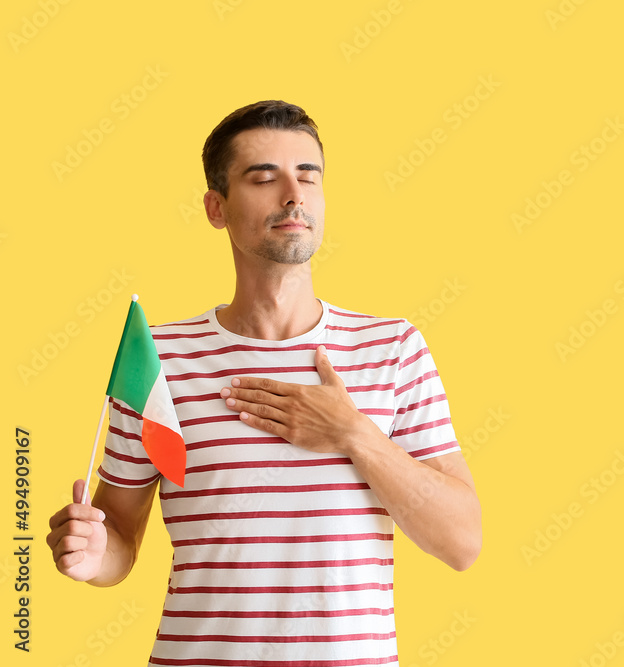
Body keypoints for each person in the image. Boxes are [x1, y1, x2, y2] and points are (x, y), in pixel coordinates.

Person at [46, 100, 481, 665]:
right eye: (264, 177)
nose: (294, 195)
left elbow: (461, 543)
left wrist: (353, 433)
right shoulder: (159, 359)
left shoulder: (393, 349)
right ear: (216, 207)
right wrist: (92, 556)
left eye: (308, 175)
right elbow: (120, 541)